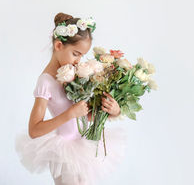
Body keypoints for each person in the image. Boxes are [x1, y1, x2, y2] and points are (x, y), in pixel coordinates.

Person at [15, 12, 127, 185]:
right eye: (76, 54)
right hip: (65, 154)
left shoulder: (73, 74)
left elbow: (86, 115)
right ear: (59, 45)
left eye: (82, 55)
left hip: (84, 147)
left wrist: (113, 111)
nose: (78, 61)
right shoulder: (45, 82)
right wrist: (70, 114)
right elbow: (34, 130)